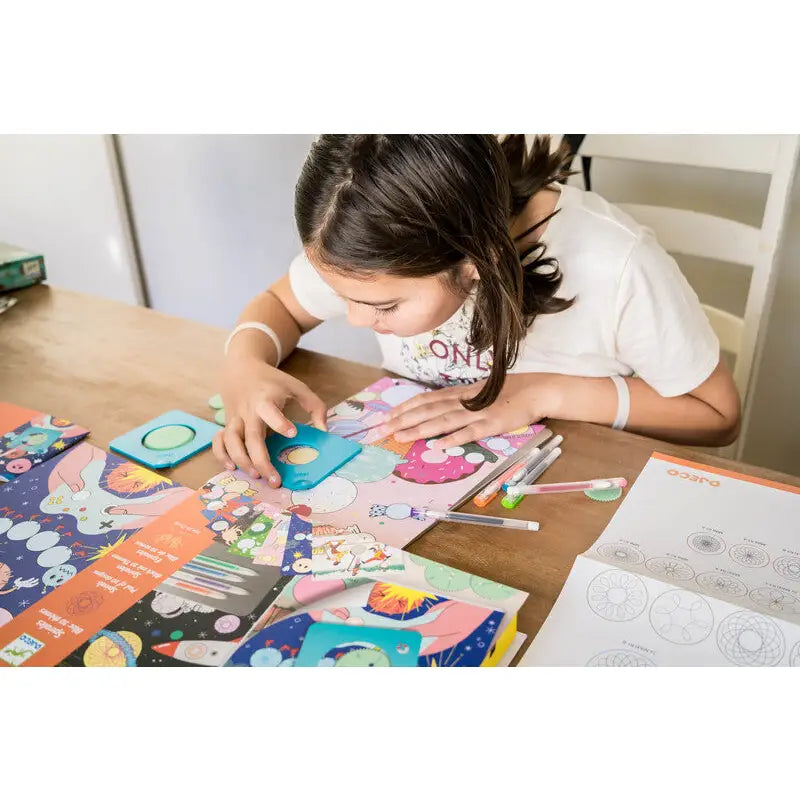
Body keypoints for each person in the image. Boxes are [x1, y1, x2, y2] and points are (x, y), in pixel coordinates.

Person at [213, 134, 741, 486]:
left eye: (383, 305)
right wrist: (243, 365)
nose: (352, 319)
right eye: (344, 296)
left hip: (575, 490)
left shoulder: (618, 263)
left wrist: (543, 392)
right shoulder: (371, 234)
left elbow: (718, 417)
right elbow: (281, 303)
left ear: (476, 264)